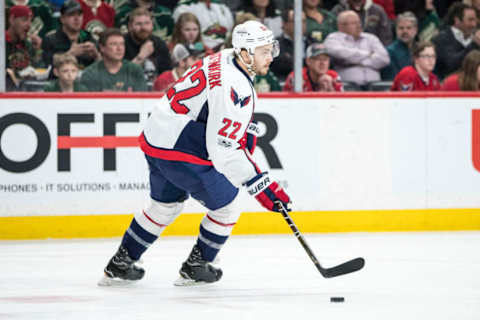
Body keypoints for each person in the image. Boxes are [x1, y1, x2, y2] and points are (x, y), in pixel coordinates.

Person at [98, 20, 291, 286]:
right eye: (264, 51)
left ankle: (121, 264)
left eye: (272, 49)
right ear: (245, 53)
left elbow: (213, 111)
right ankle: (197, 266)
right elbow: (222, 149)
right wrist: (260, 183)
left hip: (157, 136)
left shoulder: (225, 56)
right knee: (226, 208)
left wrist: (240, 127)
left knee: (165, 206)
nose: (271, 57)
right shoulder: (235, 86)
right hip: (181, 147)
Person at [324, 10, 390, 89]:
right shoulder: (333, 38)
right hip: (348, 86)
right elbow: (341, 54)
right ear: (341, 26)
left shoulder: (371, 38)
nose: (359, 26)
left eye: (359, 22)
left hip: (375, 86)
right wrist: (369, 54)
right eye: (354, 23)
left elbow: (385, 59)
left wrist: (355, 61)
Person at [80, 28, 147, 91]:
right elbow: (90, 102)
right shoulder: (90, 74)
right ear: (102, 47)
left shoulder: (135, 70)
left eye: (122, 44)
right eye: (114, 44)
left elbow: (142, 100)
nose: (119, 48)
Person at [42, 0, 99, 71]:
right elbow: (46, 67)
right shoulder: (51, 39)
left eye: (79, 14)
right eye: (71, 15)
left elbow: (104, 66)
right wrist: (69, 54)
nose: (77, 18)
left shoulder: (89, 37)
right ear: (62, 19)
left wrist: (96, 55)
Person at [432, 2, 480, 79]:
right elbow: (451, 64)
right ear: (457, 20)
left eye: (475, 20)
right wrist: (474, 44)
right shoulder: (441, 39)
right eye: (470, 20)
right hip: (448, 87)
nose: (474, 24)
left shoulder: (474, 38)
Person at [123, 8, 172, 82]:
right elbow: (121, 76)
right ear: (130, 26)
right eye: (138, 24)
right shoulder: (122, 43)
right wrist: (141, 56)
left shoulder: (160, 44)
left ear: (152, 25)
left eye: (147, 23)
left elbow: (167, 75)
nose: (143, 28)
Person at [5, 5, 43, 91]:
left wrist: (38, 50)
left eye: (30, 21)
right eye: (24, 20)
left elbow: (37, 69)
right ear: (12, 19)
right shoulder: (2, 43)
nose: (29, 25)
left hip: (27, 91)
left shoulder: (28, 44)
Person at [269, 8, 309, 80]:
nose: (301, 25)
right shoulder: (275, 45)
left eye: (303, 21)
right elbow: (282, 66)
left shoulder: (312, 42)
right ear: (284, 24)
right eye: (296, 21)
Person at [381, 11, 418, 80]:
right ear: (396, 30)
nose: (405, 31)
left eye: (408, 28)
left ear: (415, 30)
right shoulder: (389, 52)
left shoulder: (421, 50)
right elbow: (393, 79)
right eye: (401, 28)